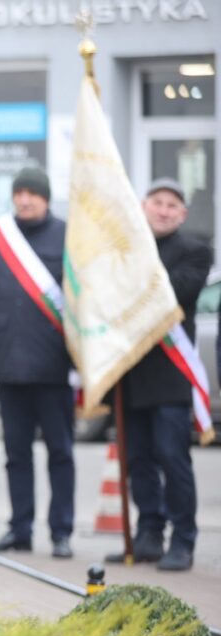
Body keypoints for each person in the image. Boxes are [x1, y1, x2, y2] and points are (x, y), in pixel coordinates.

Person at [0, 167, 76, 559]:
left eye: (32, 193)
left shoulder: (67, 235)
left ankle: (61, 531)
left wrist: (81, 360)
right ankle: (20, 529)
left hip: (55, 368)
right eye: (19, 193)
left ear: (46, 198)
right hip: (9, 366)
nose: (25, 199)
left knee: (60, 453)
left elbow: (81, 301)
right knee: (16, 455)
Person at [105, 178, 212, 571]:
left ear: (181, 215)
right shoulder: (122, 249)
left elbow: (174, 293)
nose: (164, 210)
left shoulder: (196, 252)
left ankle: (183, 539)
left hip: (170, 375)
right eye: (157, 203)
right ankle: (149, 534)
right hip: (131, 373)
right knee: (138, 461)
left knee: (172, 458)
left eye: (172, 206)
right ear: (143, 206)